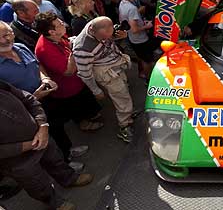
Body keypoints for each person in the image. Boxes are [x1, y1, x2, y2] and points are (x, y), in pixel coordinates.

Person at [0, 80, 93, 210]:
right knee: (36, 183)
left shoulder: (2, 85)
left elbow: (29, 99)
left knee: (56, 160)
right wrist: (27, 146)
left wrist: (43, 125)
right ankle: (55, 202)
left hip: (41, 136)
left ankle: (69, 178)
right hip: (16, 160)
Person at [34, 12, 102, 163]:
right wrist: (75, 52)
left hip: (78, 82)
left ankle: (88, 117)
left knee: (84, 103)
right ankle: (84, 124)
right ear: (51, 31)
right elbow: (68, 71)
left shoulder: (57, 37)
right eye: (58, 24)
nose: (63, 24)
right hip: (67, 89)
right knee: (76, 109)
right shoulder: (45, 49)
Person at [72, 17, 135, 143]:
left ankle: (127, 113)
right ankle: (125, 125)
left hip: (115, 65)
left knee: (124, 93)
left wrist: (120, 36)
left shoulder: (97, 25)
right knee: (121, 97)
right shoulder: (82, 49)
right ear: (92, 30)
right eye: (104, 37)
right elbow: (85, 73)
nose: (107, 39)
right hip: (106, 73)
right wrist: (96, 90)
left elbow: (108, 41)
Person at [119, 0, 155, 79]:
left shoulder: (123, 3)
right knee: (148, 61)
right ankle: (148, 77)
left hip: (132, 39)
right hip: (140, 40)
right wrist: (146, 26)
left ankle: (142, 73)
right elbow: (134, 29)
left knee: (141, 58)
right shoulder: (132, 8)